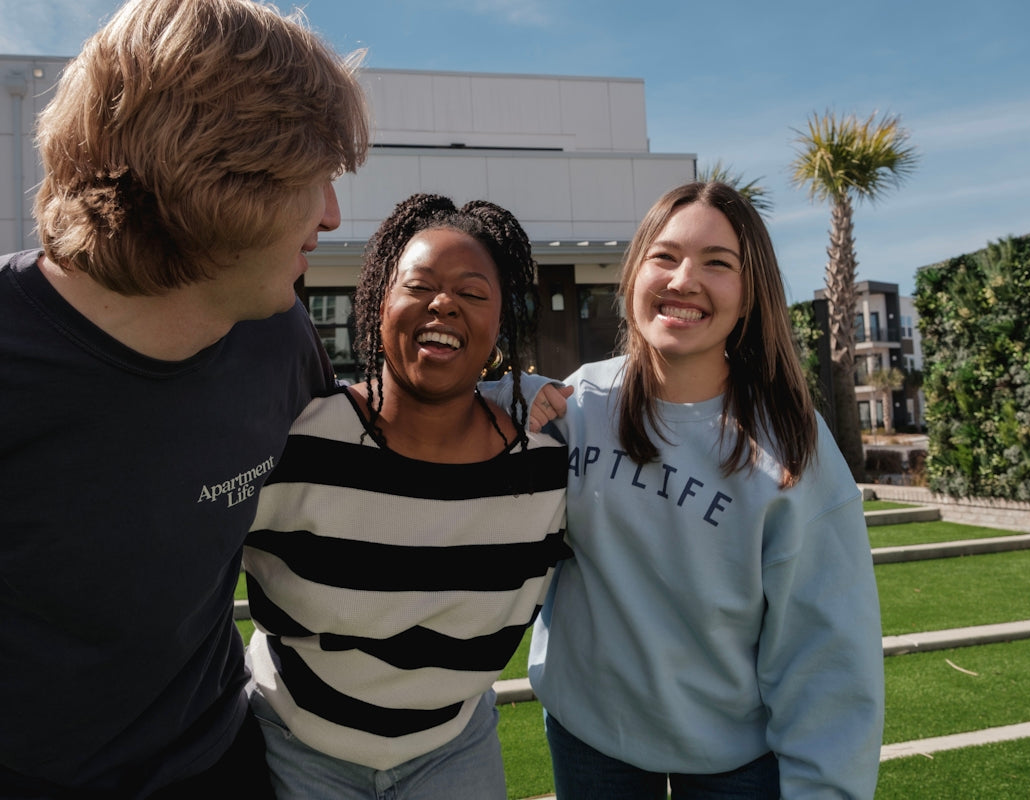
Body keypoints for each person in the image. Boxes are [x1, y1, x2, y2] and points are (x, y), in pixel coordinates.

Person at [0, 0, 368, 796]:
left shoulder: (279, 334)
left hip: (220, 765)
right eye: (311, 179)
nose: (332, 214)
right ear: (217, 179)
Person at [511, 181, 884, 798]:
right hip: (589, 738)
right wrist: (506, 400)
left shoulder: (792, 442)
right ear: (633, 274)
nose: (685, 280)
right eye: (665, 256)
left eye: (718, 263)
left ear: (750, 294)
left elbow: (828, 650)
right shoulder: (577, 402)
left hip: (735, 760)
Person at [243, 193, 570, 800]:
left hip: (453, 751)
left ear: (500, 323)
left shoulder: (544, 473)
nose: (443, 303)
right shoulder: (300, 441)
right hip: (292, 745)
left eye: (473, 294)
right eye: (419, 286)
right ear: (378, 301)